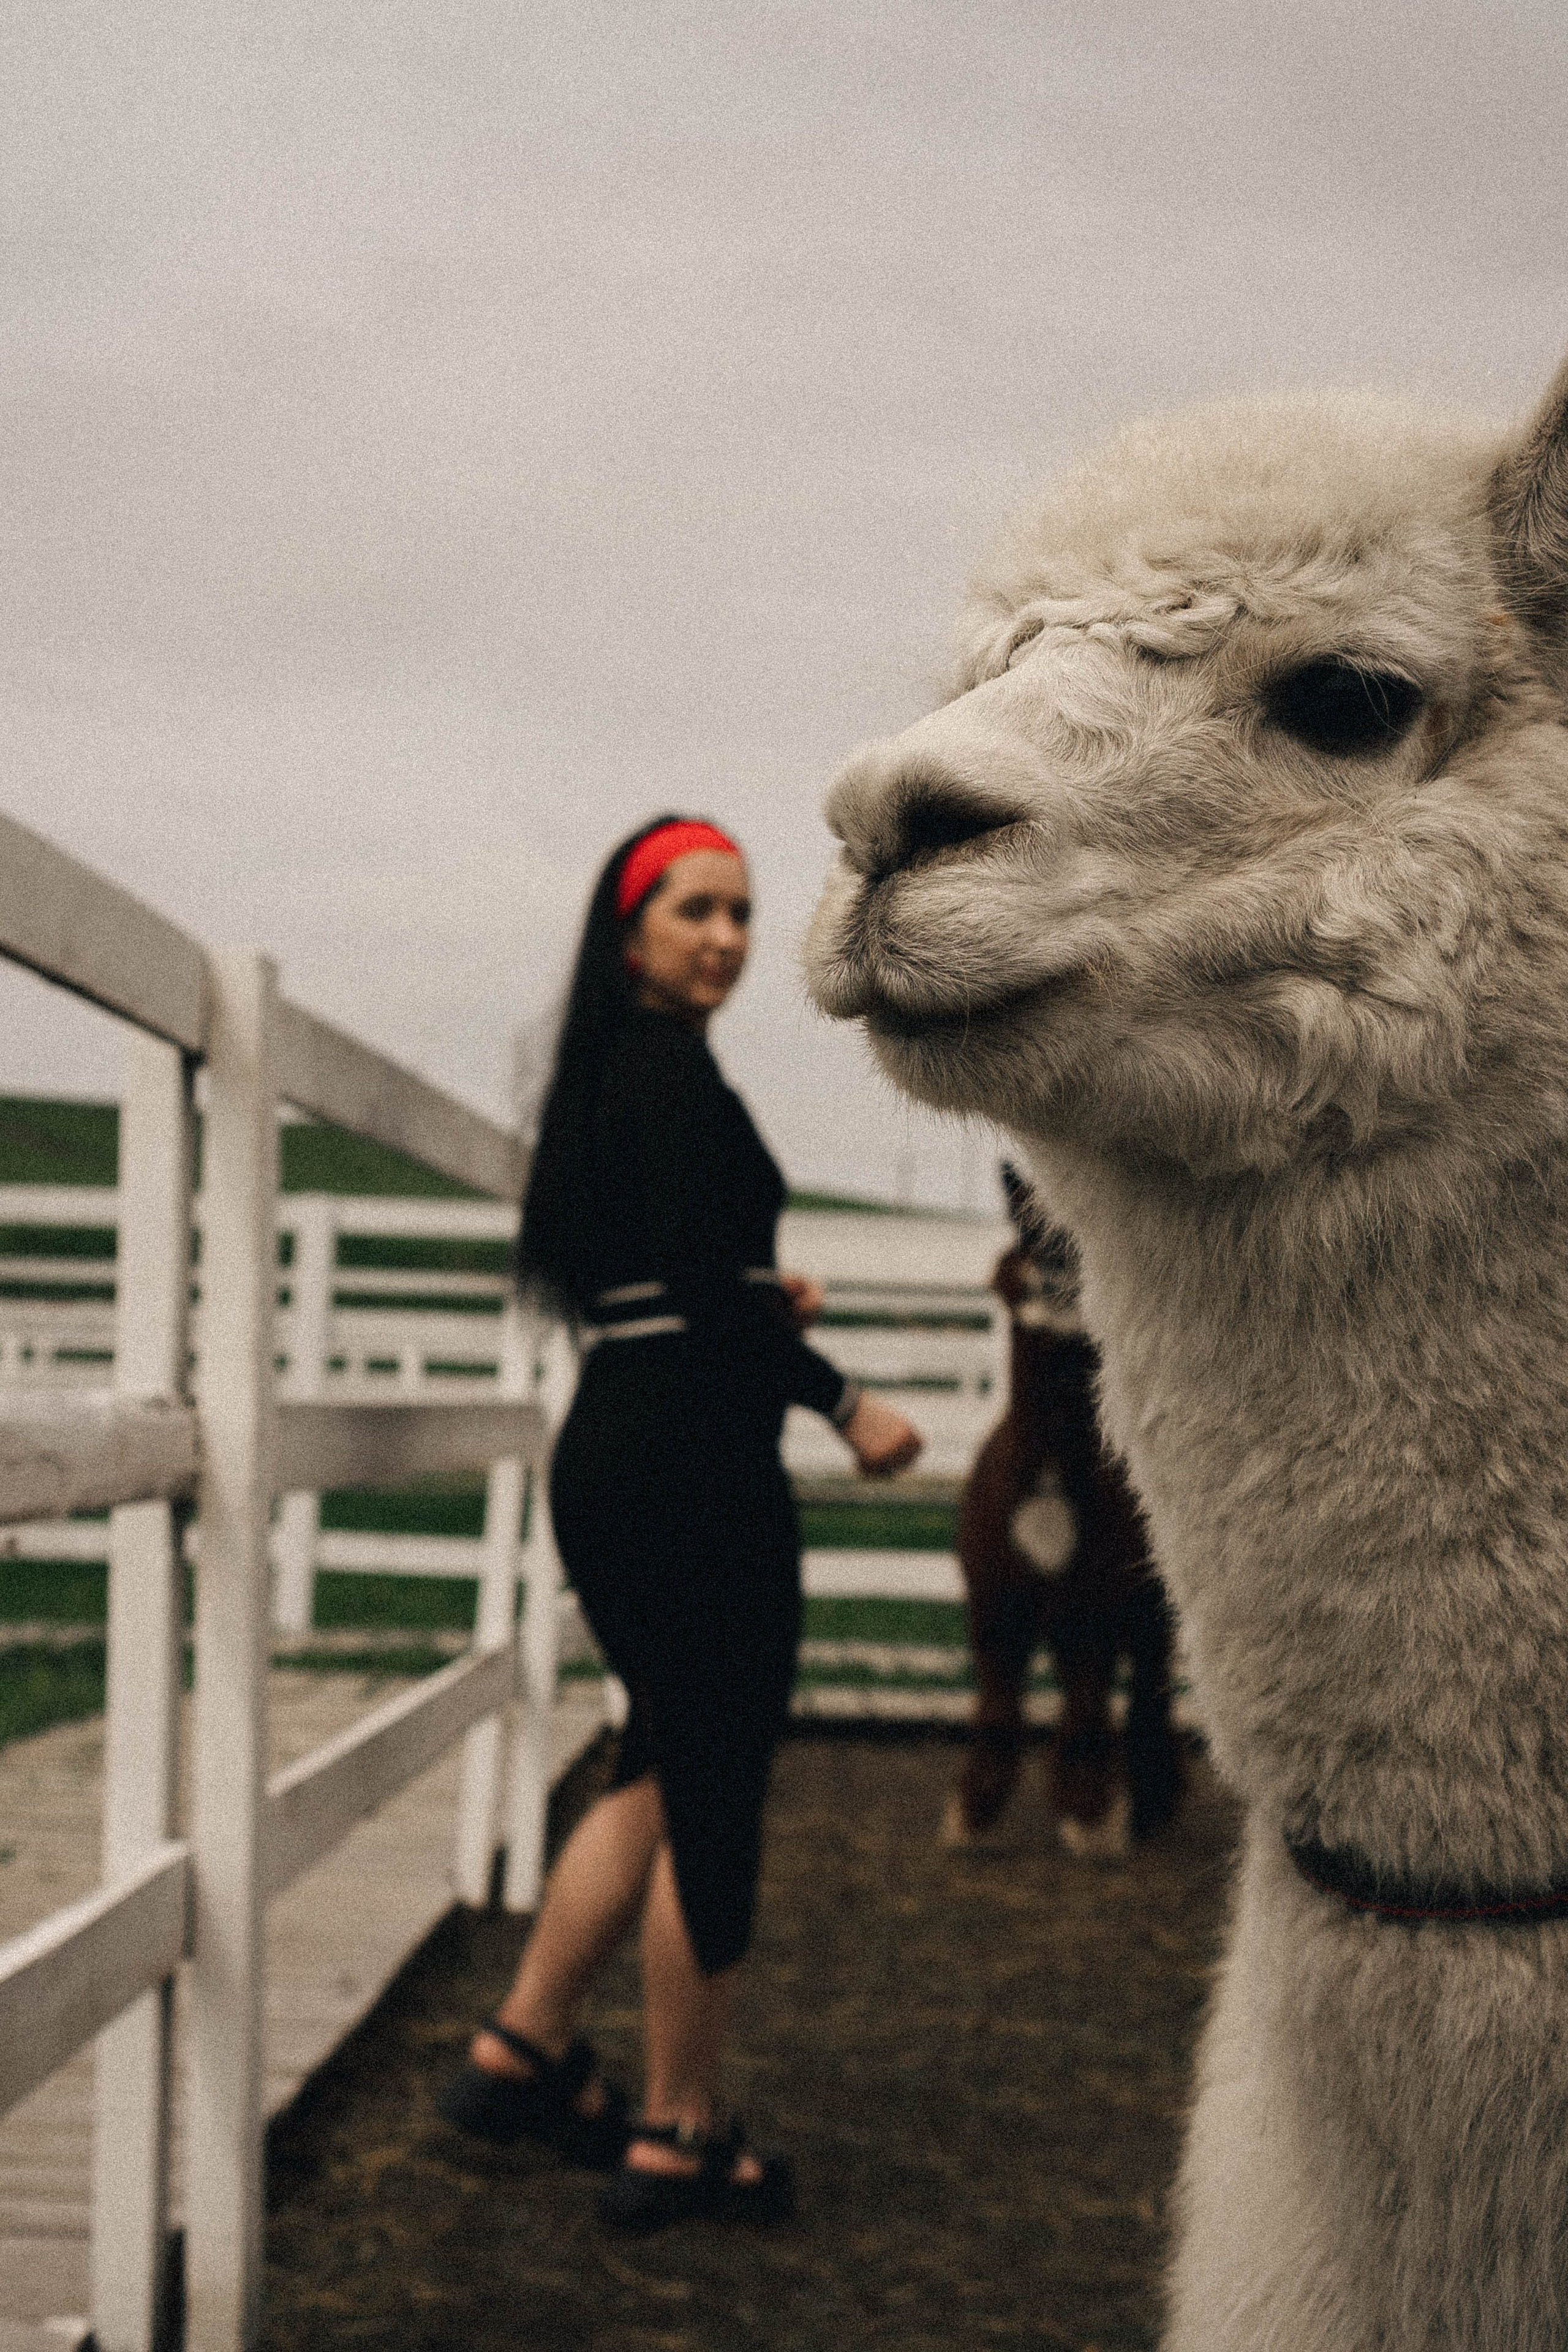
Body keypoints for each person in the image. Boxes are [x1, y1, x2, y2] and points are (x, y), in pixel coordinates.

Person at [438, 814, 922, 2230]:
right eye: (694, 910)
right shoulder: (665, 1079)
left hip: (622, 1441)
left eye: (739, 914)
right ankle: (678, 2130)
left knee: (660, 1749)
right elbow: (702, 1296)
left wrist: (762, 1302)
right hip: (693, 1466)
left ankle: (518, 2049)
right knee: (711, 1784)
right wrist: (839, 1394)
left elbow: (667, 1275)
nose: (723, 938)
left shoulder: (607, 1077)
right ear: (630, 927)